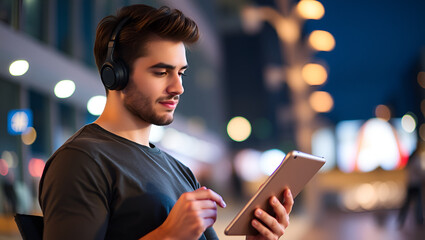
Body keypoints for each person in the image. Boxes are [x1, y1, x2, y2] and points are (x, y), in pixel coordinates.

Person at [39, 4, 294, 240]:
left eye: (181, 73)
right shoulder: (81, 161)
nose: (178, 87)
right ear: (115, 74)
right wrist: (168, 235)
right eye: (161, 72)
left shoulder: (180, 170)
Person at [398, 141, 425, 227]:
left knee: (410, 203)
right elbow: (418, 170)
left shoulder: (411, 158)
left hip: (411, 184)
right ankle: (419, 220)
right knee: (416, 203)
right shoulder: (415, 158)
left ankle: (402, 219)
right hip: (415, 184)